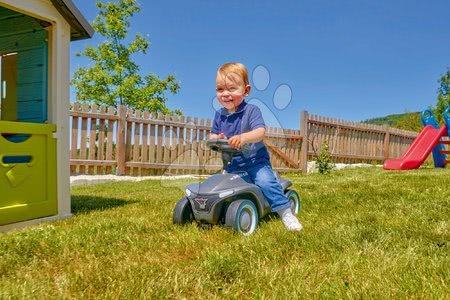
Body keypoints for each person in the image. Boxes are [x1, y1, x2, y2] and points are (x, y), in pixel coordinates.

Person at [209, 62, 302, 231]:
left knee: (266, 182)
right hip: (231, 166)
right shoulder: (219, 115)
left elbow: (260, 132)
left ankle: (286, 213)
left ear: (246, 90)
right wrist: (217, 138)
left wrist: (243, 137)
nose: (225, 94)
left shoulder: (251, 111)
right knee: (218, 186)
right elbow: (213, 135)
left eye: (231, 88)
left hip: (256, 164)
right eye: (220, 89)